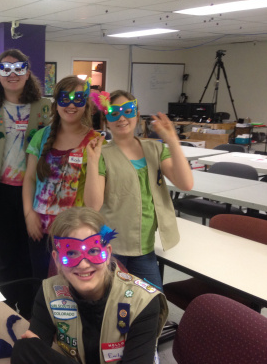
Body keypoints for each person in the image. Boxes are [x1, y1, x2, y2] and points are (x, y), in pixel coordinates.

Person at [11, 207, 168, 364]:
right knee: (24, 347)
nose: (84, 264)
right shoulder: (49, 293)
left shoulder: (142, 302)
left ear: (107, 254)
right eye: (71, 253)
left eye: (93, 251)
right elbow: (30, 353)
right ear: (57, 260)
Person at [85, 90, 193, 289]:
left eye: (128, 110)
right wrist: (92, 161)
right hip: (112, 248)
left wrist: (172, 140)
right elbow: (93, 204)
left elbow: (185, 184)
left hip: (144, 249)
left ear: (136, 114)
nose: (122, 117)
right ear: (106, 120)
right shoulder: (102, 154)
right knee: (111, 306)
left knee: (151, 305)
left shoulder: (155, 149)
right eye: (114, 113)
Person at [0, 49, 51, 319]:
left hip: (35, 192)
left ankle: (35, 315)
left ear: (27, 72)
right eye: (5, 69)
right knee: (5, 255)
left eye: (19, 68)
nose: (12, 74)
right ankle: (8, 312)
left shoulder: (45, 107)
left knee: (34, 255)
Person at [23, 76, 103, 280]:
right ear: (56, 103)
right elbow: (30, 178)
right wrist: (29, 214)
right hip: (39, 230)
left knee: (71, 287)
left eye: (78, 98)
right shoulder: (41, 136)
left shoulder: (94, 142)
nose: (71, 105)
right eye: (64, 98)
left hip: (75, 234)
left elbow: (94, 205)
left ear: (86, 103)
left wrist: (93, 161)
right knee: (40, 283)